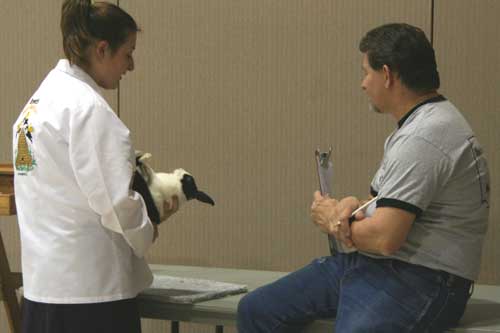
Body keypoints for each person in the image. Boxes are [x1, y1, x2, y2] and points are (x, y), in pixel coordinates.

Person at [237, 23, 490, 333]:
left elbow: (385, 238)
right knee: (257, 310)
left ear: (387, 75)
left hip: (423, 279)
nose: (363, 83)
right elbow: (391, 206)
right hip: (382, 266)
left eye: (366, 72)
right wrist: (351, 205)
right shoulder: (424, 124)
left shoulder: (425, 137)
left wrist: (334, 221)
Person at [12, 1, 178, 332]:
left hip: (43, 289)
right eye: (127, 53)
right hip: (90, 298)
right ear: (102, 49)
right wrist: (148, 228)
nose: (130, 65)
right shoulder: (88, 110)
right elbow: (116, 203)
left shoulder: (33, 108)